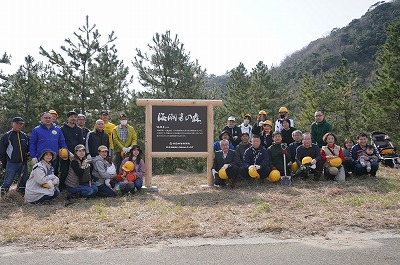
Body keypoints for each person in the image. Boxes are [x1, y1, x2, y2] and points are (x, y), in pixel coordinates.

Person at [0, 117, 29, 196]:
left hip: (23, 163)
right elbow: (2, 150)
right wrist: (4, 163)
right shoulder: (7, 136)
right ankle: (3, 197)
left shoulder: (25, 136)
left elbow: (28, 149)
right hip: (11, 163)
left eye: (21, 124)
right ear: (12, 124)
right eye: (17, 123)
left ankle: (21, 196)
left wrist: (28, 156)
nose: (19, 125)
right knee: (8, 181)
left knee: (24, 180)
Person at [60, 111, 84, 190]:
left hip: (77, 155)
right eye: (71, 117)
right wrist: (67, 152)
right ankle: (61, 189)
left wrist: (80, 153)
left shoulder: (79, 130)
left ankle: (74, 188)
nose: (73, 118)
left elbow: (81, 143)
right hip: (65, 154)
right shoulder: (62, 129)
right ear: (68, 118)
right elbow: (61, 142)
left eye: (75, 117)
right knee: (64, 172)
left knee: (76, 172)